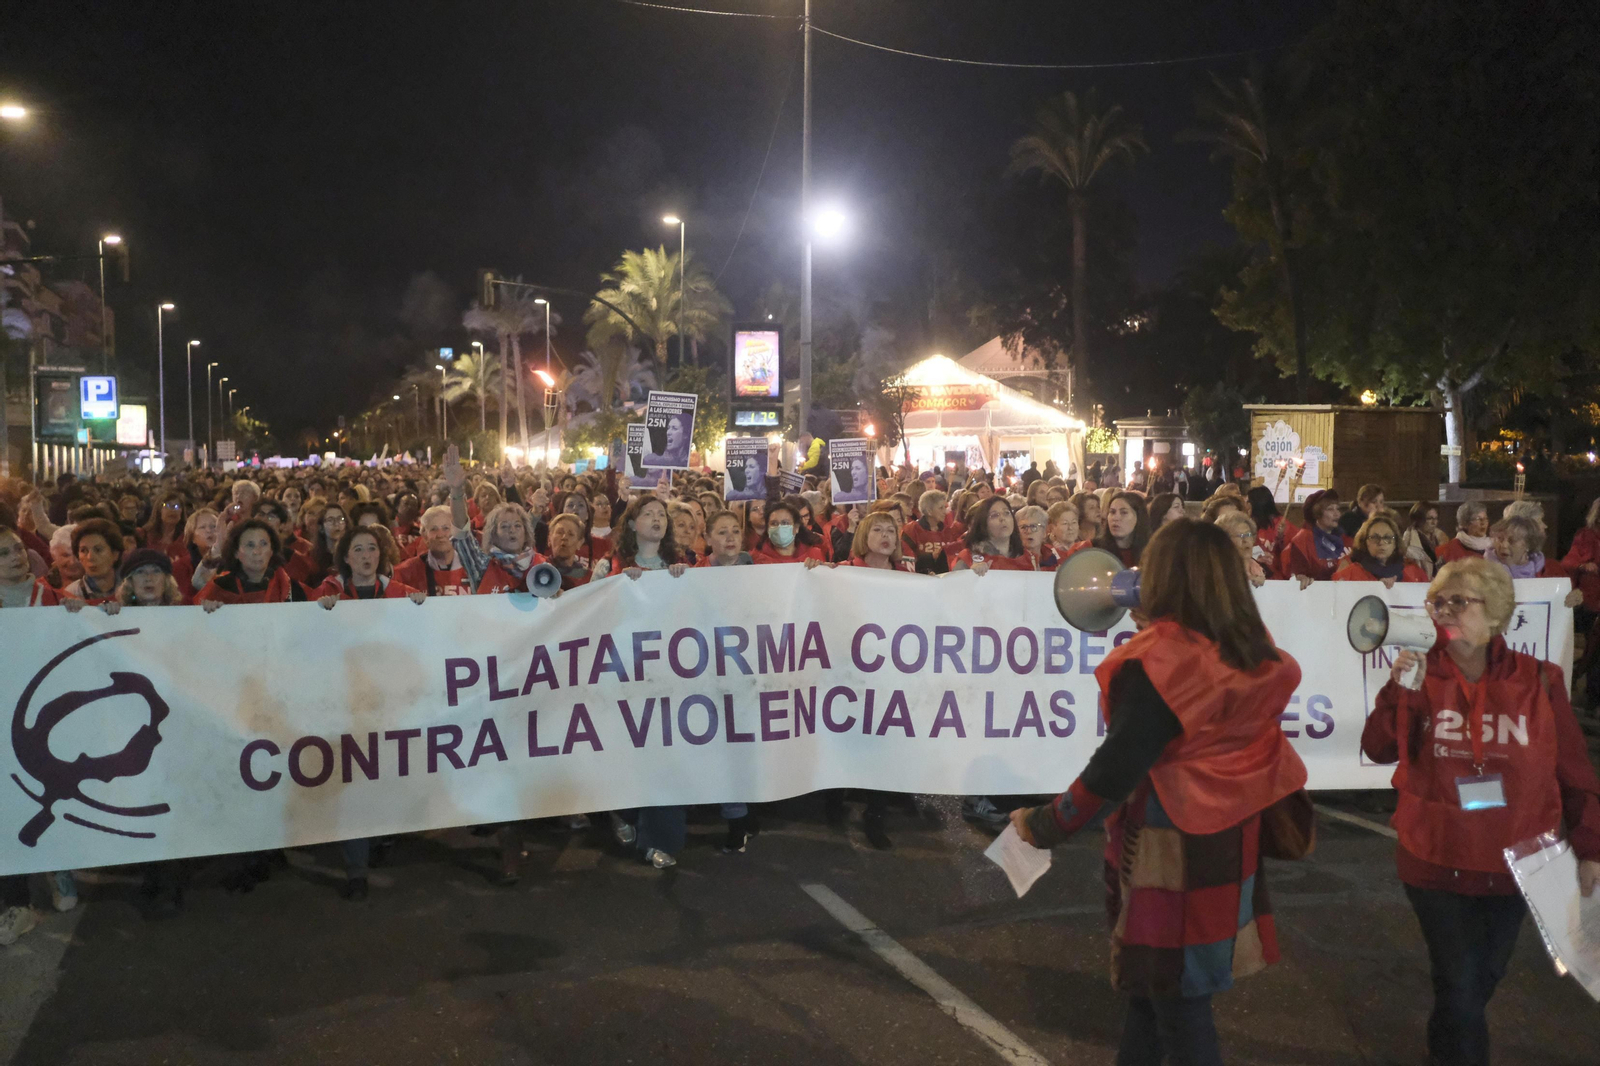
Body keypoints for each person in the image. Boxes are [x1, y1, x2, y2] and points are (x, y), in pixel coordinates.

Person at [1009, 520, 1307, 1066]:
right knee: (1161, 992)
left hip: (1172, 844)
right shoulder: (1249, 643)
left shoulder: (1164, 660)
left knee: (1177, 1001)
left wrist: (1047, 823)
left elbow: (1114, 769)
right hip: (1229, 834)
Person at [1361, 558, 1600, 1066]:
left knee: (1477, 981)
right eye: (1437, 601)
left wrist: (1591, 846)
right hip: (1435, 858)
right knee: (1461, 985)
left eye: (1458, 601)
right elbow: (1379, 748)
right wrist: (1396, 694)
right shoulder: (1421, 673)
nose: (1442, 610)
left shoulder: (1541, 680)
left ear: (1495, 613)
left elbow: (1576, 773)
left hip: (1516, 863)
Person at [197, 519, 312, 607]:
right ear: (236, 552)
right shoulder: (219, 588)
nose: (257, 551)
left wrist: (326, 603)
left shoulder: (290, 588)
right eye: (250, 545)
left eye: (263, 544)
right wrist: (208, 612)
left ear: (272, 550)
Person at [314, 524, 425, 604]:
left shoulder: (401, 593)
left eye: (372, 548)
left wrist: (419, 603)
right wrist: (321, 610)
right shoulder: (328, 591)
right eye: (358, 549)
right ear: (346, 558)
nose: (366, 555)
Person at [1486, 516, 1581, 607]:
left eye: (1512, 541)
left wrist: (1576, 597)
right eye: (1500, 539)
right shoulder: (1481, 569)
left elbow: (1565, 600)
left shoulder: (1551, 569)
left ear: (1528, 545)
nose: (1504, 545)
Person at [393, 505, 473, 596]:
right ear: (425, 537)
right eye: (433, 529)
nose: (440, 534)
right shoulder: (405, 573)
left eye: (446, 528)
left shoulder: (475, 569)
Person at [1333, 513, 1430, 586]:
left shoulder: (1413, 572)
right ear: (1364, 541)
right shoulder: (1349, 573)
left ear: (1396, 543)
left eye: (1387, 538)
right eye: (1374, 537)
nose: (1381, 542)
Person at [1282, 489, 1350, 586]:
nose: (1337, 514)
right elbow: (1298, 574)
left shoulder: (1344, 538)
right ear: (1317, 513)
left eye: (1337, 508)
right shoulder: (1302, 540)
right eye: (1330, 509)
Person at [951, 496, 1029, 573]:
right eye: (994, 515)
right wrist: (970, 576)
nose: (1002, 518)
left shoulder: (1028, 558)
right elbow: (954, 584)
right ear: (984, 524)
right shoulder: (969, 559)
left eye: (1007, 513)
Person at [60, 518, 124, 608]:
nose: (90, 557)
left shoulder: (131, 590)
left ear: (115, 554)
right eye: (83, 550)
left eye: (98, 550)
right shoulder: (70, 594)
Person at [750, 501, 829, 566]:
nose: (779, 527)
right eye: (774, 523)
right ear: (767, 528)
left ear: (796, 528)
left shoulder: (814, 555)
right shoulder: (755, 558)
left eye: (785, 523)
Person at [1093, 492, 1151, 568]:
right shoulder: (1090, 549)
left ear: (1139, 517)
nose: (1115, 518)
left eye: (1124, 512)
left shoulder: (1152, 552)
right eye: (1112, 512)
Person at [848, 510, 916, 573]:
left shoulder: (903, 574)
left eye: (890, 531)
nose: (885, 534)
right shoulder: (843, 569)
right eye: (877, 529)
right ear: (864, 537)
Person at [1213, 510, 1268, 587]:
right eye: (1240, 535)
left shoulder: (1261, 570)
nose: (1245, 540)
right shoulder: (1217, 570)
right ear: (1225, 542)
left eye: (1248, 534)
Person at [1246, 486, 1288, 574]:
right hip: (1256, 575)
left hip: (1279, 579)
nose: (1245, 506)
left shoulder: (1283, 525)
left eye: (1248, 502)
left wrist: (1281, 538)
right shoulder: (1249, 525)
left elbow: (1292, 553)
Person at [1402, 501, 1446, 579]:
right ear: (1419, 519)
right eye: (1429, 519)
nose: (1434, 522)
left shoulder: (1440, 538)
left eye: (1436, 518)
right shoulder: (1409, 541)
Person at [1014, 504, 1059, 571]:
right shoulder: (1012, 560)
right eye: (1023, 527)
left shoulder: (1053, 559)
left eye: (1034, 526)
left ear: (1044, 532)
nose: (1029, 531)